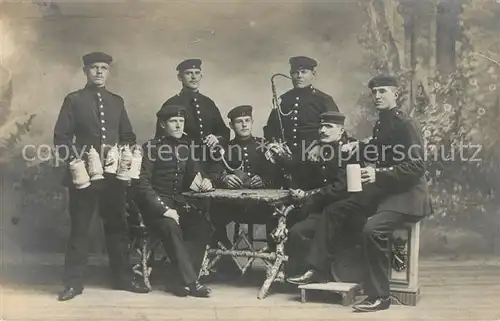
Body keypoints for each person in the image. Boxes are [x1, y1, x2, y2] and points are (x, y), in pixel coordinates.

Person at [53, 52, 148, 301]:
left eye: (103, 68)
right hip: (84, 177)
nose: (98, 72)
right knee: (80, 229)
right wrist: (78, 163)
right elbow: (61, 138)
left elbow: (128, 136)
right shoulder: (74, 100)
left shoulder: (117, 101)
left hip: (113, 177)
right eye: (94, 67)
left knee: (118, 227)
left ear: (109, 72)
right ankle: (73, 284)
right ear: (85, 71)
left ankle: (123, 279)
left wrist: (122, 159)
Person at [349, 75, 432, 312]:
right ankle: (349, 276)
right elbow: (381, 147)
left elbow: (417, 167)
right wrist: (357, 146)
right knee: (344, 208)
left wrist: (379, 174)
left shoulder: (406, 123)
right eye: (374, 92)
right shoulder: (382, 122)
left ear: (396, 94)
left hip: (408, 195)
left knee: (372, 229)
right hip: (389, 191)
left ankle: (380, 296)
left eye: (383, 91)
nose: (377, 96)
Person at [133, 104, 213, 297]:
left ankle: (176, 280)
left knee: (202, 226)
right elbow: (142, 185)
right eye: (173, 121)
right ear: (162, 124)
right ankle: (191, 282)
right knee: (171, 226)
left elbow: (196, 173)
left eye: (181, 121)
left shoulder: (186, 148)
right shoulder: (151, 147)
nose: (178, 126)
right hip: (154, 209)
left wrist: (206, 181)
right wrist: (164, 210)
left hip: (177, 204)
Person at [283, 111, 364, 280]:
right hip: (322, 210)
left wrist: (308, 195)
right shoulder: (319, 149)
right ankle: (302, 272)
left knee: (307, 228)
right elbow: (302, 174)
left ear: (341, 131)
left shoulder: (349, 150)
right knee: (296, 231)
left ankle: (316, 271)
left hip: (343, 213)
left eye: (328, 126)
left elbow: (342, 188)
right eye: (321, 126)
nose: (323, 130)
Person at [211, 105, 283, 251]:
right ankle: (224, 253)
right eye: (239, 121)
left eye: (247, 120)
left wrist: (264, 180)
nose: (244, 124)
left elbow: (276, 173)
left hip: (261, 206)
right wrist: (224, 179)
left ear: (252, 122)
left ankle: (270, 253)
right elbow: (213, 172)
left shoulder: (263, 146)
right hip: (233, 206)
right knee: (213, 213)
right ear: (231, 125)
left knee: (277, 215)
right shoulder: (224, 148)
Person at [263, 56, 340, 189]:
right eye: (295, 72)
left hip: (313, 161)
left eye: (304, 72)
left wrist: (320, 146)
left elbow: (337, 130)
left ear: (313, 74)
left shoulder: (323, 100)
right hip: (285, 162)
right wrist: (274, 145)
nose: (299, 76)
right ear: (290, 75)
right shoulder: (283, 100)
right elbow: (270, 129)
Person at [160, 59, 230, 179]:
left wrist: (216, 138)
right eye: (189, 73)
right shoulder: (171, 104)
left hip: (211, 165)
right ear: (179, 77)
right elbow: (161, 139)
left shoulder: (208, 103)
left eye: (197, 73)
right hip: (183, 165)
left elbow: (224, 131)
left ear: (201, 75)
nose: (194, 77)